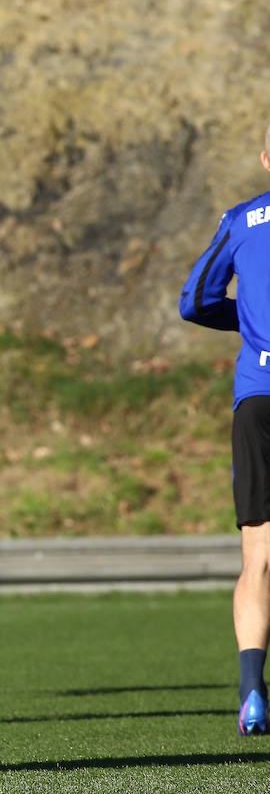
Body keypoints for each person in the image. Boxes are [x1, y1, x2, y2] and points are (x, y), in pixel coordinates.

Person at [178, 127, 270, 735]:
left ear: (266, 157)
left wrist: (247, 318)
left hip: (258, 397)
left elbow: (193, 299)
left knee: (259, 557)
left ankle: (251, 693)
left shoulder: (243, 219)